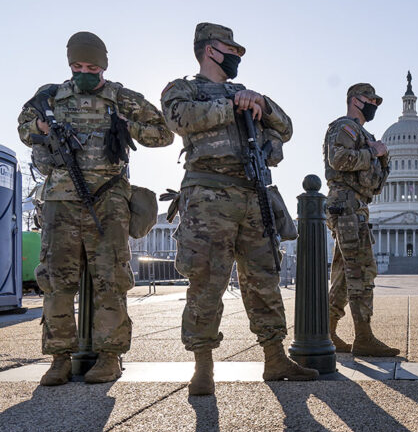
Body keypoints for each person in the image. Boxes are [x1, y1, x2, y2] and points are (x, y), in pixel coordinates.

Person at [161, 22, 317, 396]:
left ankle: (275, 357)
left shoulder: (247, 94)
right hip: (207, 196)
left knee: (264, 279)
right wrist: (229, 105)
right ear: (210, 49)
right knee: (205, 282)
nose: (236, 58)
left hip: (252, 195)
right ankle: (203, 366)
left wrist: (259, 103)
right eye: (232, 50)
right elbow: (178, 119)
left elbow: (287, 127)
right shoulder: (183, 89)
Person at [17, 31, 173, 385]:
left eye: (90, 66)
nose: (83, 72)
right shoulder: (51, 96)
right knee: (56, 281)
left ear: (103, 64)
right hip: (61, 199)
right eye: (77, 66)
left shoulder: (121, 97)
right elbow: (24, 127)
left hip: (108, 198)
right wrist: (41, 127)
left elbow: (163, 133)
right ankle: (59, 358)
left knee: (111, 279)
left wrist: (126, 125)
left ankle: (110, 356)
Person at [323, 83, 399, 357]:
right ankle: (363, 336)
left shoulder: (365, 134)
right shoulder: (345, 128)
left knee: (344, 274)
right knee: (362, 271)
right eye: (371, 99)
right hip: (346, 204)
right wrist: (373, 153)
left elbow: (376, 183)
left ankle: (327, 331)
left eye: (377, 101)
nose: (374, 105)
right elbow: (339, 159)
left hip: (356, 205)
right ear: (355, 100)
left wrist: (384, 157)